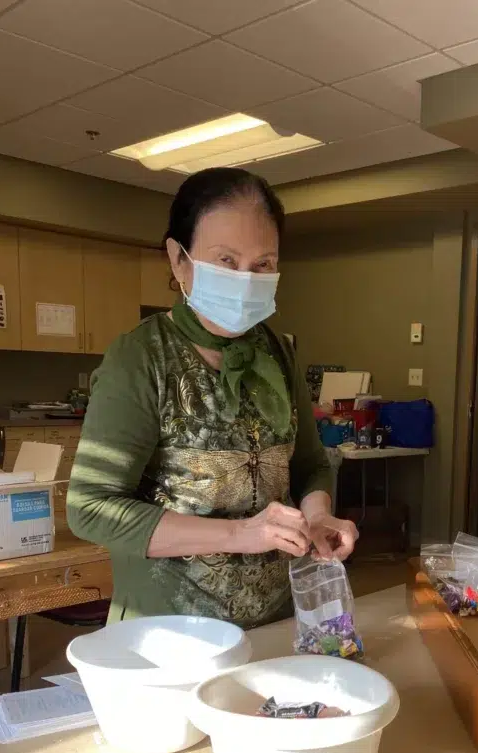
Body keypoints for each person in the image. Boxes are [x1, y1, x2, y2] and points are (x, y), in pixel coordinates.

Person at [67, 167, 357, 627]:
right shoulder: (142, 357)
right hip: (168, 631)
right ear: (178, 259)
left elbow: (309, 466)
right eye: (225, 260)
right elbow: (92, 509)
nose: (245, 279)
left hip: (274, 620)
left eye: (262, 264)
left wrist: (318, 517)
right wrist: (242, 533)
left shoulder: (278, 352)